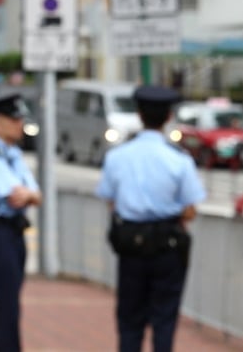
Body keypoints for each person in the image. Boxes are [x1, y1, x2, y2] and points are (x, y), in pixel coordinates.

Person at [96, 85, 206, 352]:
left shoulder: (117, 156)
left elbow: (110, 199)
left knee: (130, 319)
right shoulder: (179, 159)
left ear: (138, 114)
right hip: (167, 246)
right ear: (169, 117)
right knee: (164, 319)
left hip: (130, 244)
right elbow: (190, 209)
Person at [0, 93, 42, 352]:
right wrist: (30, 195)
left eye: (20, 119)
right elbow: (14, 195)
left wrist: (30, 195)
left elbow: (35, 195)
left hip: (14, 231)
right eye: (13, 120)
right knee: (7, 304)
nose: (19, 124)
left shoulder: (14, 154)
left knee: (4, 303)